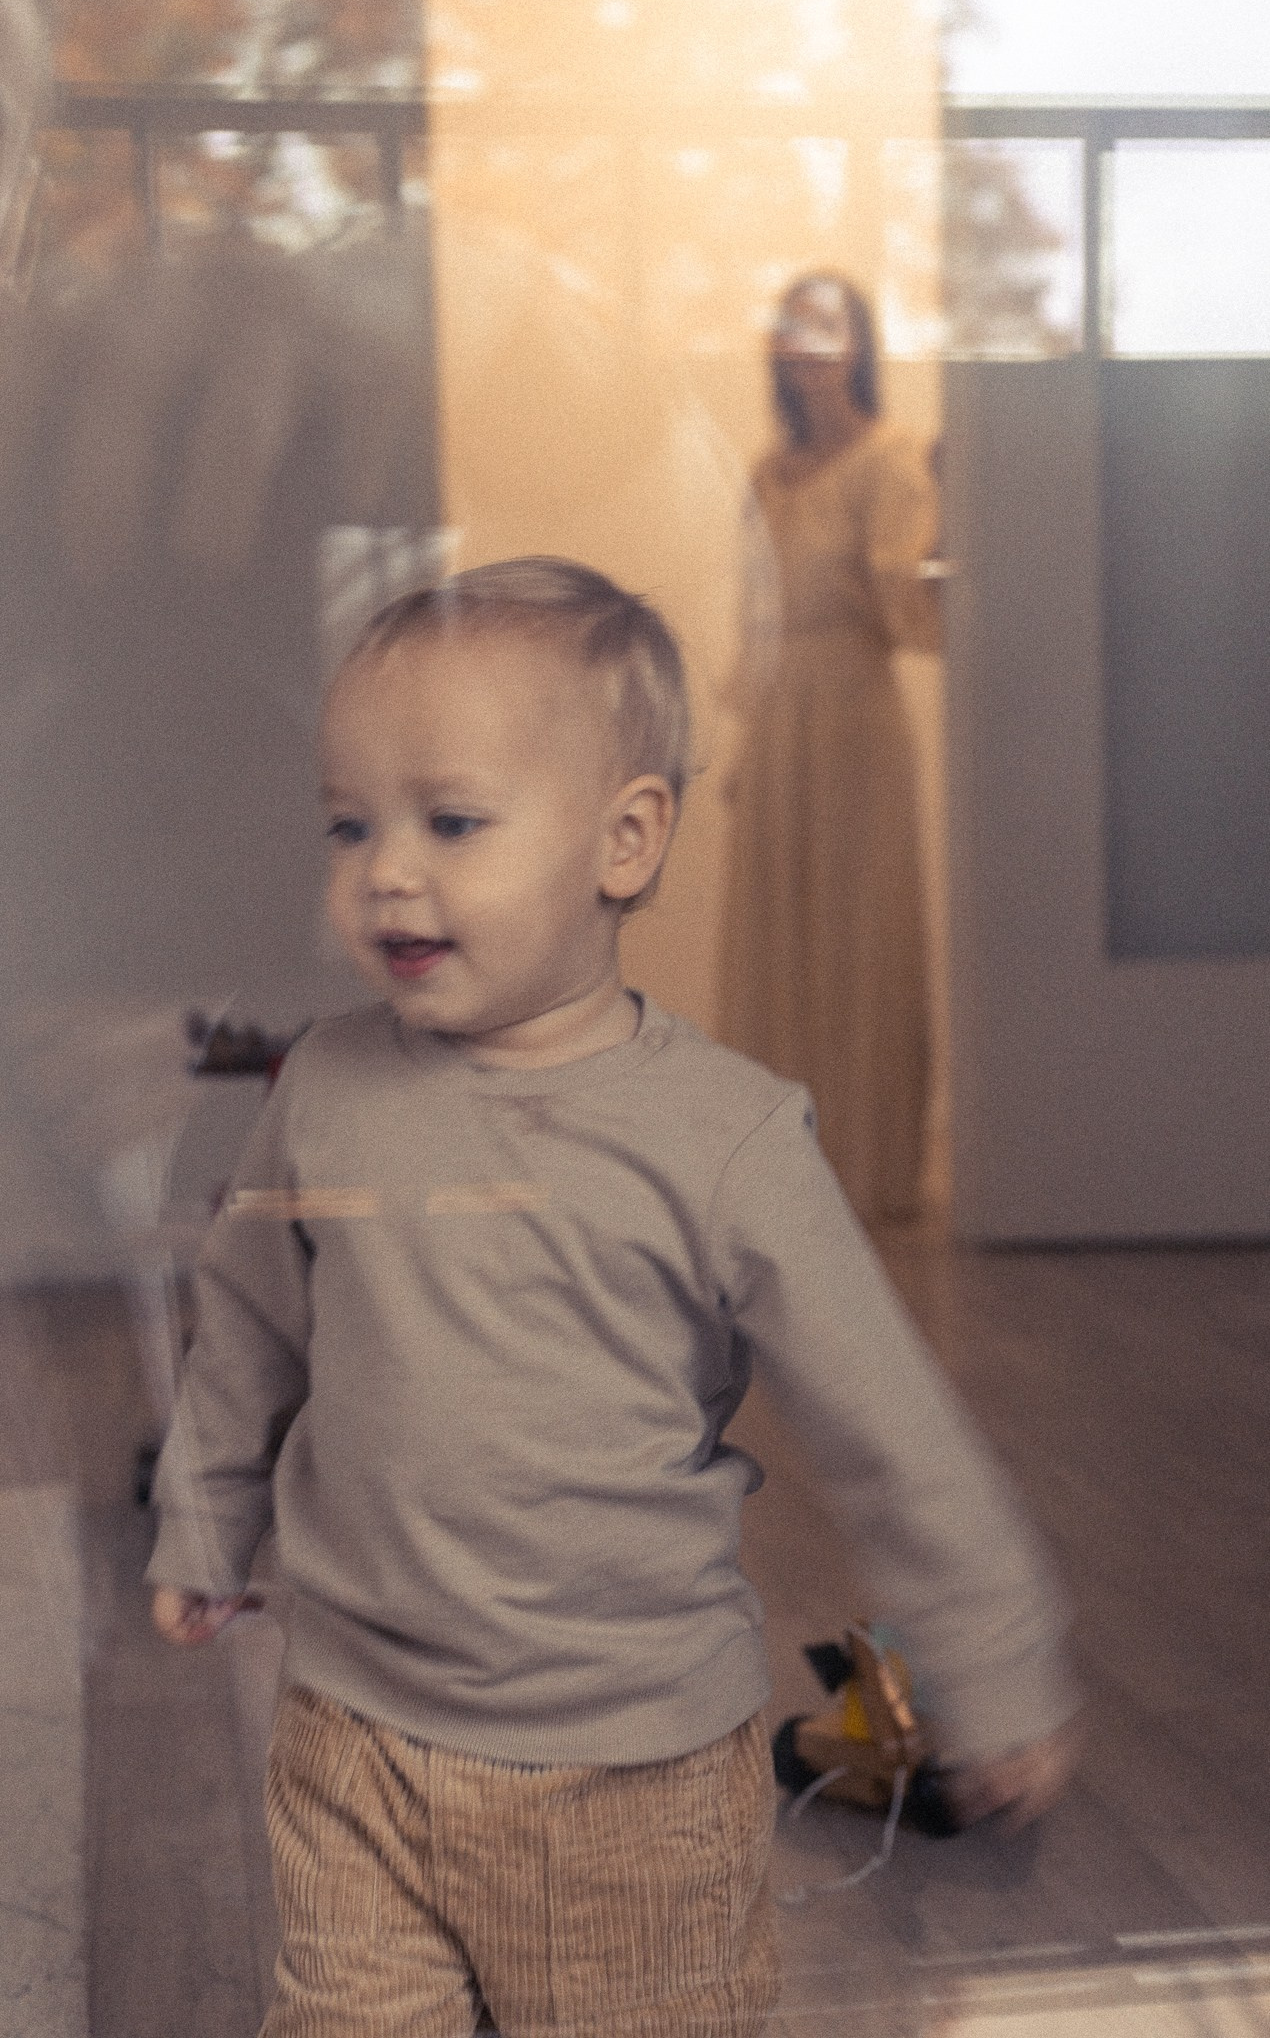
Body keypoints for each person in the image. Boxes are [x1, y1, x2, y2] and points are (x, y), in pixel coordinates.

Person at [147, 558, 1076, 2038]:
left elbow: (884, 1424)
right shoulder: (323, 1087)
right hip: (350, 1734)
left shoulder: (724, 1140)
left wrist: (994, 1665)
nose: (387, 869)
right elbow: (250, 1320)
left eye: (449, 822)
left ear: (624, 840)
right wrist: (207, 1513)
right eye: (351, 824)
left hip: (625, 1779)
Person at [718, 272, 941, 1226]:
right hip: (779, 721)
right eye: (794, 325)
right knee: (778, 936)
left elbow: (912, 612)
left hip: (854, 711)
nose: (810, 344)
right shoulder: (767, 471)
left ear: (859, 343)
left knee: (861, 936)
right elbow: (753, 615)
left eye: (830, 324)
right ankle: (779, 1169)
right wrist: (740, 742)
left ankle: (868, 1166)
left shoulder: (891, 463)